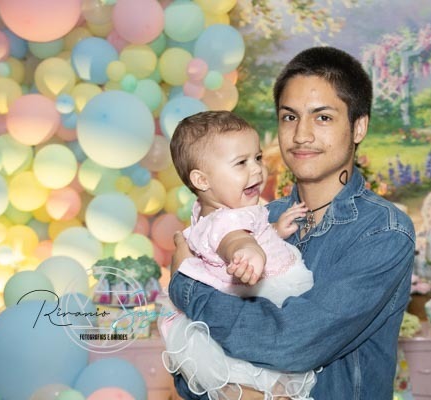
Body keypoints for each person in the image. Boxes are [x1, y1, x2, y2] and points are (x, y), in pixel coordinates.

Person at [169, 46, 415, 399]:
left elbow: (292, 342)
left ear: (358, 126)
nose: (301, 135)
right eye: (289, 117)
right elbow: (189, 370)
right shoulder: (259, 219)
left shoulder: (383, 231)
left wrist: (186, 286)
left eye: (323, 117)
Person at [161, 110, 317, 399]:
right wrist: (248, 254)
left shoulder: (216, 210)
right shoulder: (226, 221)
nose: (256, 170)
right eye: (241, 163)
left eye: (257, 158)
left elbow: (245, 232)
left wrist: (274, 231)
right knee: (267, 381)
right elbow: (234, 240)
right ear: (202, 180)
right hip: (268, 291)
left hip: (238, 296)